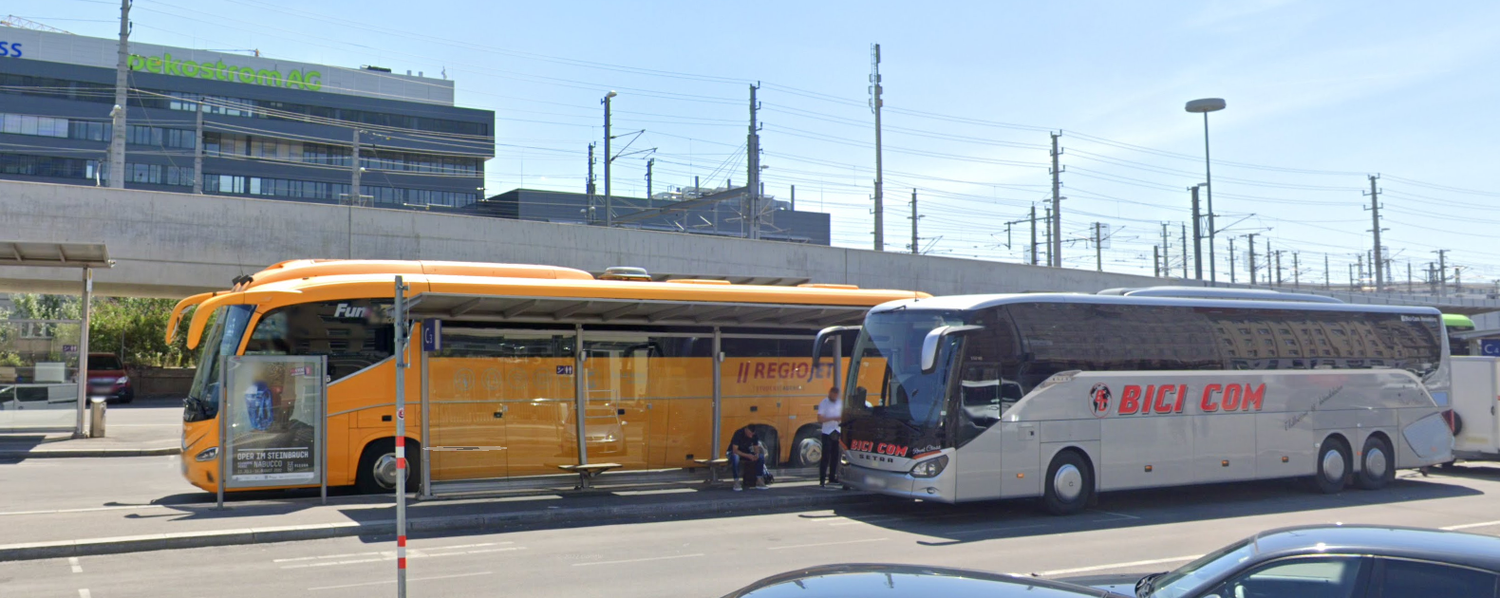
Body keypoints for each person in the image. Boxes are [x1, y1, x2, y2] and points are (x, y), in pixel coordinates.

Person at [816, 386, 843, 488]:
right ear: (830, 393)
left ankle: (832, 477)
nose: (834, 396)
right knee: (826, 456)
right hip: (827, 432)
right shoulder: (824, 403)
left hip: (837, 430)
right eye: (833, 394)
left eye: (836, 395)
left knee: (835, 456)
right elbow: (820, 418)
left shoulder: (840, 403)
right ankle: (822, 478)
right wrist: (833, 418)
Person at [728, 424, 769, 491]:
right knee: (735, 458)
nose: (751, 436)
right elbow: (735, 450)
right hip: (735, 452)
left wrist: (756, 454)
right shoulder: (738, 433)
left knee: (761, 457)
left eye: (752, 434)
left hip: (746, 452)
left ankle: (759, 479)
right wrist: (748, 456)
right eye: (750, 433)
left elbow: (756, 448)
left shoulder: (754, 435)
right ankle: (736, 481)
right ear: (746, 429)